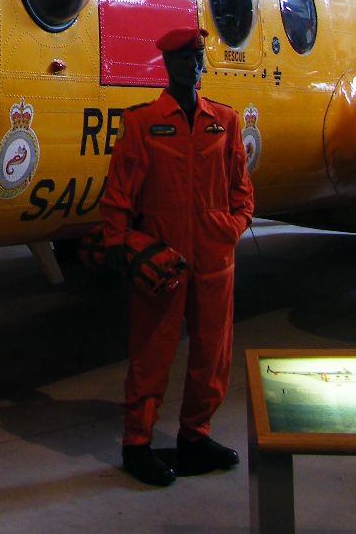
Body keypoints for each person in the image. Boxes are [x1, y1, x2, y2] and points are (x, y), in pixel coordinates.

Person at [99, 25, 254, 487]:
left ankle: (195, 435)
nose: (194, 65)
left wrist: (230, 228)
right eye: (185, 59)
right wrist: (118, 244)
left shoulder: (223, 120)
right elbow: (119, 194)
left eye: (198, 57)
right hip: (163, 256)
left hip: (214, 258)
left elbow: (241, 190)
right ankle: (137, 443)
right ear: (167, 64)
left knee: (213, 352)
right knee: (152, 350)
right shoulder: (143, 123)